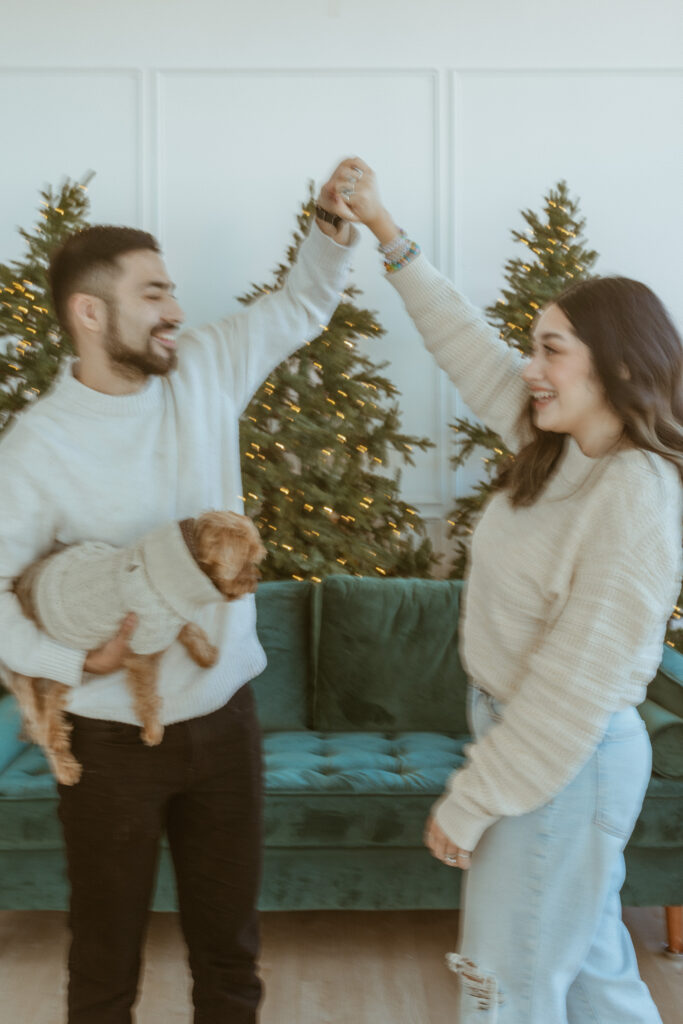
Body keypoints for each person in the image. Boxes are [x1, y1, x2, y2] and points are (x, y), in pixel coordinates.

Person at [0, 159, 361, 1024]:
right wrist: (71, 657)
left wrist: (329, 227)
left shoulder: (200, 368)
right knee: (103, 970)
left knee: (231, 959)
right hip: (108, 742)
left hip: (228, 720)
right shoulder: (36, 448)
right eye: (154, 293)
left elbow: (300, 307)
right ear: (90, 313)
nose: (176, 312)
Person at [323, 160, 683, 1022]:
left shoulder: (634, 494)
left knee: (501, 984)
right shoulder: (561, 442)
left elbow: (576, 686)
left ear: (620, 367)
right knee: (593, 973)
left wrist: (476, 797)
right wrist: (385, 230)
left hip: (563, 760)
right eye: (532, 348)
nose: (528, 366)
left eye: (550, 350)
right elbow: (461, 341)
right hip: (542, 748)